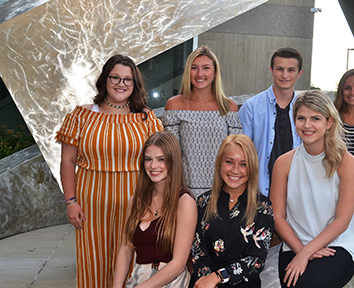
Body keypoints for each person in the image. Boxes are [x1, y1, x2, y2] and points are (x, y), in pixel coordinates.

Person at [55, 54, 163, 288]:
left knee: (133, 265)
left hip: (136, 206)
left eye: (127, 79)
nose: (120, 84)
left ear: (135, 85)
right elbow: (67, 160)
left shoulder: (146, 119)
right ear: (105, 79)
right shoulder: (82, 115)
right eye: (115, 77)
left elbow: (160, 165)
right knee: (93, 264)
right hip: (90, 209)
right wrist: (70, 202)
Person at [271, 91, 354, 288]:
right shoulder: (283, 163)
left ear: (329, 122)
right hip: (294, 244)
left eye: (315, 118)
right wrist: (301, 249)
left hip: (336, 246)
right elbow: (277, 217)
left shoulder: (345, 162)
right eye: (301, 118)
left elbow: (343, 220)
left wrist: (306, 253)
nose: (307, 125)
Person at [113, 131, 197, 288]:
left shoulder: (185, 203)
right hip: (138, 279)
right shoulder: (136, 201)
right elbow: (125, 250)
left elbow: (178, 264)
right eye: (148, 159)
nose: (153, 166)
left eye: (161, 160)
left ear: (173, 162)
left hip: (171, 282)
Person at [191, 134, 274, 288]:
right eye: (229, 162)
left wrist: (219, 277)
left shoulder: (263, 206)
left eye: (243, 164)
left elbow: (256, 260)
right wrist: (208, 281)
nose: (235, 170)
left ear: (252, 167)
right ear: (220, 164)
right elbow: (197, 249)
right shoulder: (203, 202)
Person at [163, 45, 242, 197]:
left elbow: (236, 154)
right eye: (194, 68)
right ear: (188, 72)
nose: (200, 74)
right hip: (185, 192)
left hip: (222, 191)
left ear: (214, 72)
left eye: (206, 68)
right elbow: (171, 154)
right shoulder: (174, 105)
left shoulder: (228, 107)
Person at [239, 47, 303, 196]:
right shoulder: (251, 107)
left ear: (300, 73)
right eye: (280, 69)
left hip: (296, 193)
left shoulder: (306, 109)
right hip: (259, 193)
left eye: (291, 70)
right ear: (271, 70)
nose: (285, 75)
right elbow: (242, 153)